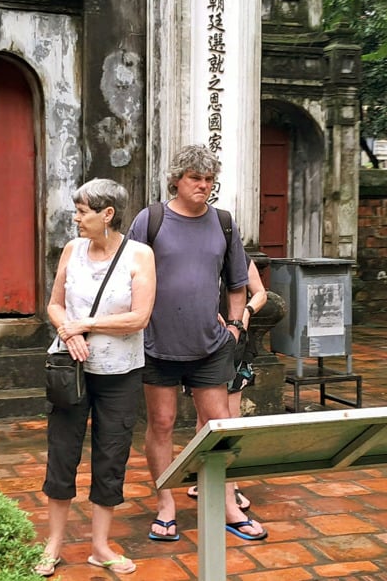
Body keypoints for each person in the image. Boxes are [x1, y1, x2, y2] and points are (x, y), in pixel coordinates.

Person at [126, 144, 267, 541]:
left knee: (218, 426)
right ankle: (166, 504)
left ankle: (225, 505)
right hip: (157, 343)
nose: (203, 186)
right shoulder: (150, 220)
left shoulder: (222, 222)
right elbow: (127, 277)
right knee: (162, 423)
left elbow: (238, 283)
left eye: (208, 179)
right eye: (195, 178)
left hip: (210, 345)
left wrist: (236, 326)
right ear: (176, 179)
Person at [37, 179, 156, 577]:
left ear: (108, 214)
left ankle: (100, 545)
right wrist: (67, 331)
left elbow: (139, 318)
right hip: (70, 370)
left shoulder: (140, 255)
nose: (76, 217)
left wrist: (84, 324)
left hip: (120, 373)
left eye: (83, 210)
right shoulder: (72, 250)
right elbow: (54, 305)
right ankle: (53, 543)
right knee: (62, 452)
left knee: (111, 456)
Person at [186, 254, 267, 510]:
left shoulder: (239, 257)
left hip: (234, 347)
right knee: (203, 419)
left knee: (229, 419)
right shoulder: (193, 255)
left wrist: (245, 312)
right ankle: (206, 478)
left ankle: (228, 485)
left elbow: (260, 293)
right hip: (201, 344)